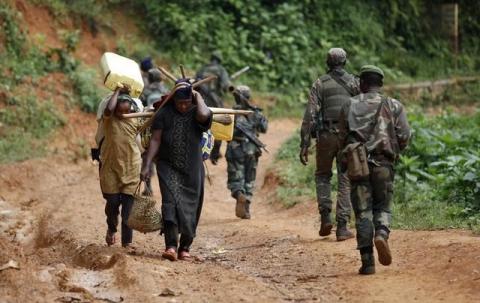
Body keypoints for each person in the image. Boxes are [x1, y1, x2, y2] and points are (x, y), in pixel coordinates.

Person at [338, 65, 411, 275]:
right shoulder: (394, 105)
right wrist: (392, 151)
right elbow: (404, 136)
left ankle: (367, 262)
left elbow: (342, 137)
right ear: (380, 84)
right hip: (384, 164)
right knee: (383, 206)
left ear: (361, 83)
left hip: (358, 164)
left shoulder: (349, 105)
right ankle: (381, 233)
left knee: (362, 212)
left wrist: (347, 157)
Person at [141, 79, 212, 261]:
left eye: (186, 102)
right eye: (179, 102)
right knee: (170, 204)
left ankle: (185, 247)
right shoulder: (164, 113)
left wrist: (197, 96)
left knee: (191, 206)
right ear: (173, 100)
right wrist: (147, 164)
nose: (182, 106)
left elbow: (205, 115)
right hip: (168, 166)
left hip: (192, 169)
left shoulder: (197, 112)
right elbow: (156, 140)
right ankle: (171, 246)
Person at [299, 48, 358, 241]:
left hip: (325, 136)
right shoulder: (354, 82)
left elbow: (310, 115)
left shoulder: (320, 83)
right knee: (345, 179)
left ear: (328, 63)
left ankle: (325, 217)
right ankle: (342, 227)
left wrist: (304, 143)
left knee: (323, 176)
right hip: (347, 137)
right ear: (345, 62)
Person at [99, 84, 142, 248]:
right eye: (120, 111)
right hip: (111, 168)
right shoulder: (109, 119)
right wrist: (117, 91)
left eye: (126, 111)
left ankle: (127, 242)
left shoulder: (136, 118)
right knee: (112, 204)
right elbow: (109, 110)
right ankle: (111, 228)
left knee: (128, 210)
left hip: (131, 167)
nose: (123, 114)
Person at [226, 85, 268, 219]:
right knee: (250, 178)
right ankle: (247, 208)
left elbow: (220, 133)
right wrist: (260, 116)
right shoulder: (256, 113)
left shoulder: (230, 114)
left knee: (236, 176)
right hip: (252, 149)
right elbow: (264, 129)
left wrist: (215, 151)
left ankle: (239, 194)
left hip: (235, 147)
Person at [195, 51, 230, 164]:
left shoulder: (202, 68)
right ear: (219, 60)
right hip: (215, 101)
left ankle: (198, 150)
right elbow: (225, 85)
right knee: (218, 125)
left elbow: (196, 83)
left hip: (201, 102)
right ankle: (214, 154)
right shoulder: (221, 70)